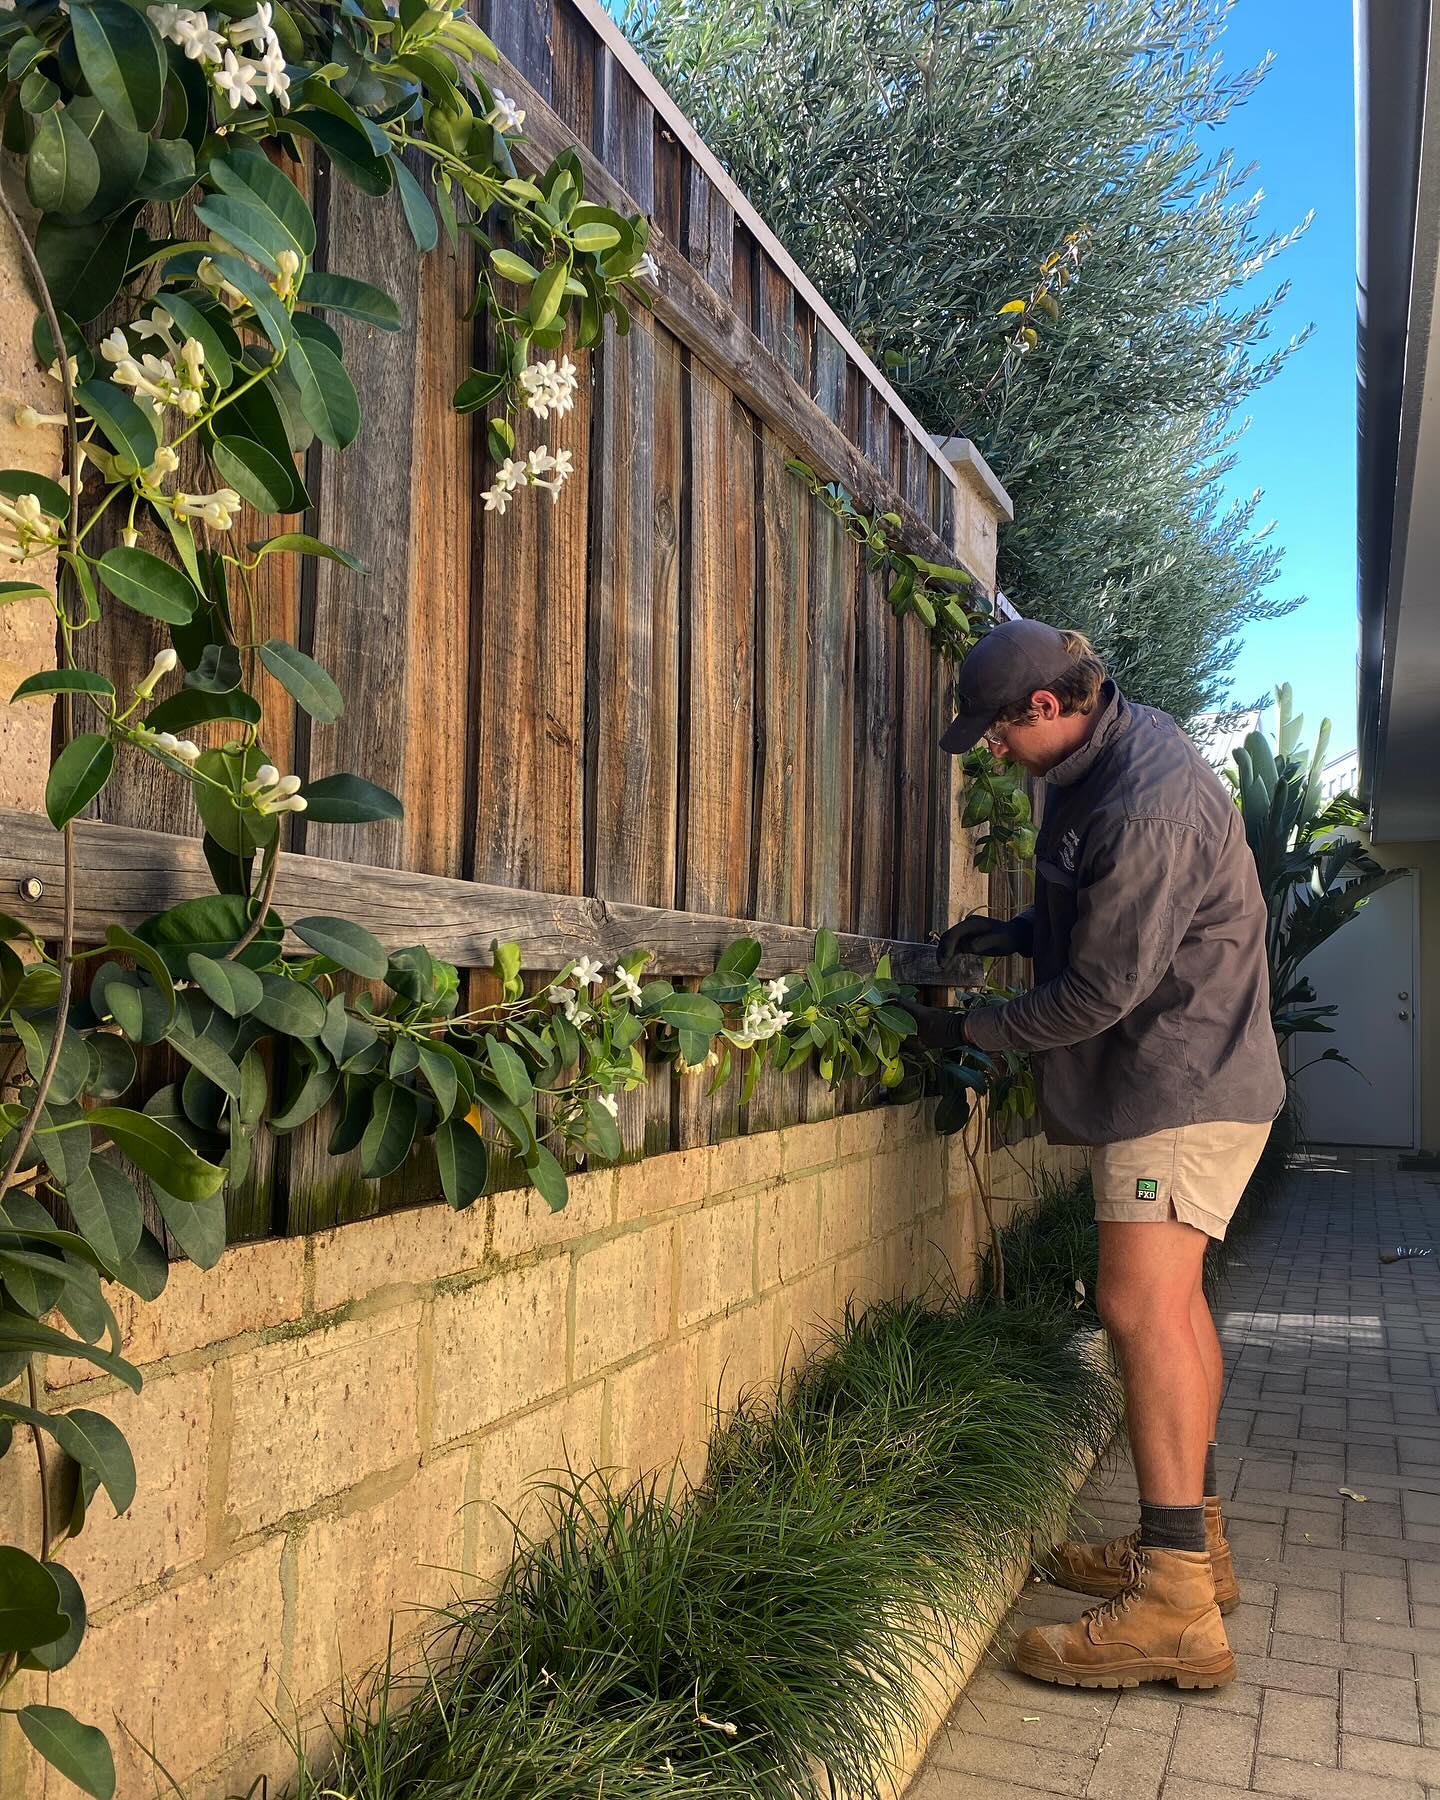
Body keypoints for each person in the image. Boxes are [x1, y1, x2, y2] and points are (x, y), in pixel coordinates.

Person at [919, 619, 1284, 1692]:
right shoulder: (1113, 749)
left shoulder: (1145, 798)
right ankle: (1190, 1546)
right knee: (1172, 1309)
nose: (988, 750)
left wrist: (974, 1032)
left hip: (1180, 1083)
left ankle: (1172, 1608)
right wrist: (1018, 932)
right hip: (1199, 1075)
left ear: (1045, 708)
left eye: (993, 731)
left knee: (1137, 1310)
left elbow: (1105, 990)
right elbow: (1104, 912)